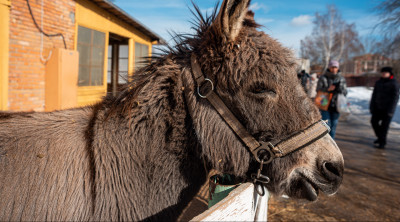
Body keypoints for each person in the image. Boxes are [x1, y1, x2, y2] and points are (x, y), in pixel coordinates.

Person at [370, 66, 400, 149]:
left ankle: (382, 142)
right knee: (374, 122)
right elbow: (374, 95)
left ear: (389, 73)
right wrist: (372, 106)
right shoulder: (379, 82)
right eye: (382, 72)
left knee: (384, 127)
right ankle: (380, 137)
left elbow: (395, 97)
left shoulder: (394, 83)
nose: (383, 74)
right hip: (377, 108)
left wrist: (391, 110)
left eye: (385, 72)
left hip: (387, 109)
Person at [316, 60, 347, 139]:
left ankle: (331, 143)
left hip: (336, 106)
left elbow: (345, 92)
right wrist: (328, 89)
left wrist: (339, 89)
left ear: (338, 68)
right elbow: (318, 89)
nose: (334, 69)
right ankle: (325, 142)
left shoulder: (341, 79)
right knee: (326, 125)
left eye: (335, 67)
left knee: (333, 126)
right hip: (324, 104)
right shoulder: (323, 78)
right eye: (332, 67)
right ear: (329, 67)